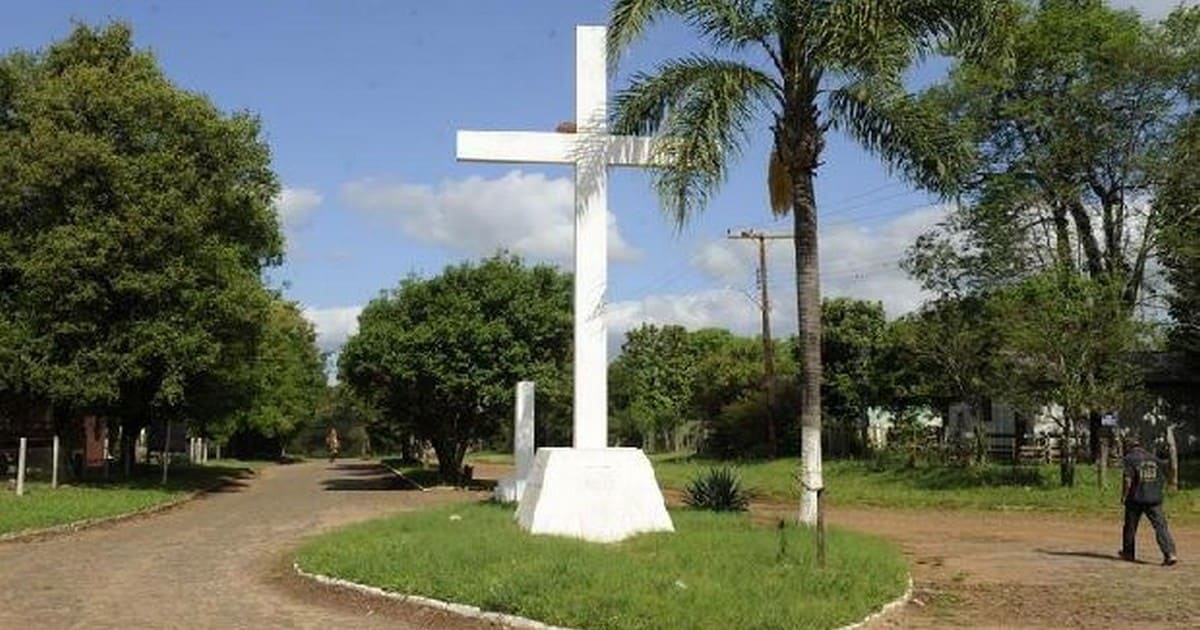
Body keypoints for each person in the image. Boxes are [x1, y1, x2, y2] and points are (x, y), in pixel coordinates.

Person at [1119, 435, 1178, 566]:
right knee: (1161, 527)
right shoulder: (1153, 458)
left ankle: (1128, 553)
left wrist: (1124, 495)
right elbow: (1165, 472)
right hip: (1154, 498)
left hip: (1136, 498)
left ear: (1128, 446)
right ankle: (1170, 553)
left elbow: (1127, 480)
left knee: (1130, 527)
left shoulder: (1129, 459)